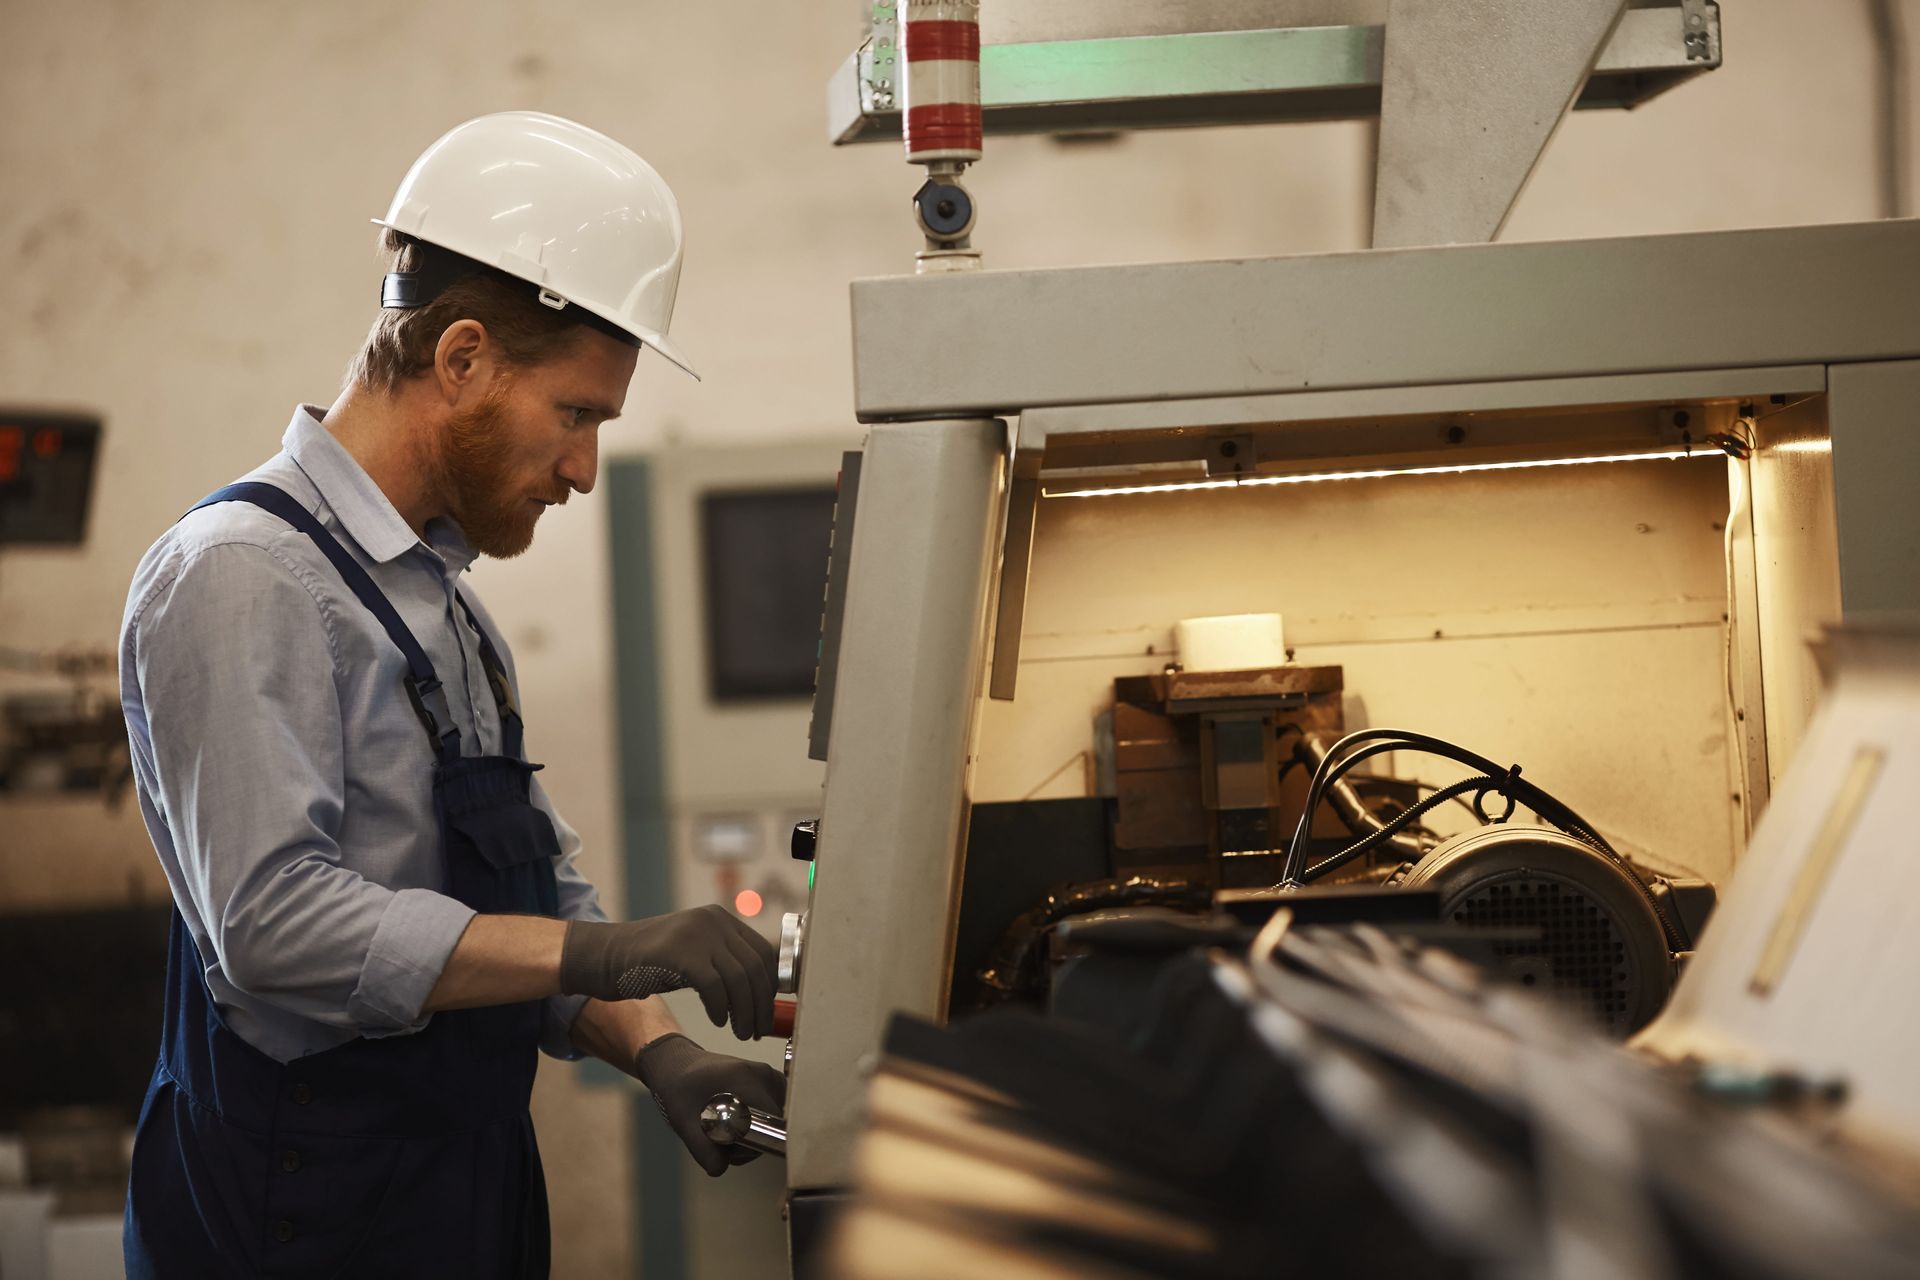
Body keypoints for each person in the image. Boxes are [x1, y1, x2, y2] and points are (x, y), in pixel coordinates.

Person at [117, 111, 784, 1278]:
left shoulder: (451, 607)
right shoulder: (240, 573)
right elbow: (273, 924)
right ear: (461, 357)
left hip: (457, 1185)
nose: (583, 468)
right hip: (297, 1209)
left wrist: (660, 1048)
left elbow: (532, 892)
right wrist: (604, 955)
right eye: (575, 414)